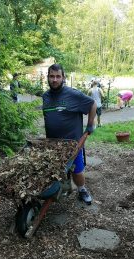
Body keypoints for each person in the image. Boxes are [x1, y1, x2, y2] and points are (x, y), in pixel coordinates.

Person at [42, 64, 97, 205]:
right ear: (47, 77)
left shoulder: (72, 94)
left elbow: (92, 104)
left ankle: (82, 190)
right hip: (53, 143)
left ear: (63, 78)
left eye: (58, 76)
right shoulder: (46, 96)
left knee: (77, 170)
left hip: (73, 144)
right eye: (51, 76)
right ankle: (64, 186)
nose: (54, 79)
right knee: (55, 168)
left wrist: (90, 125)